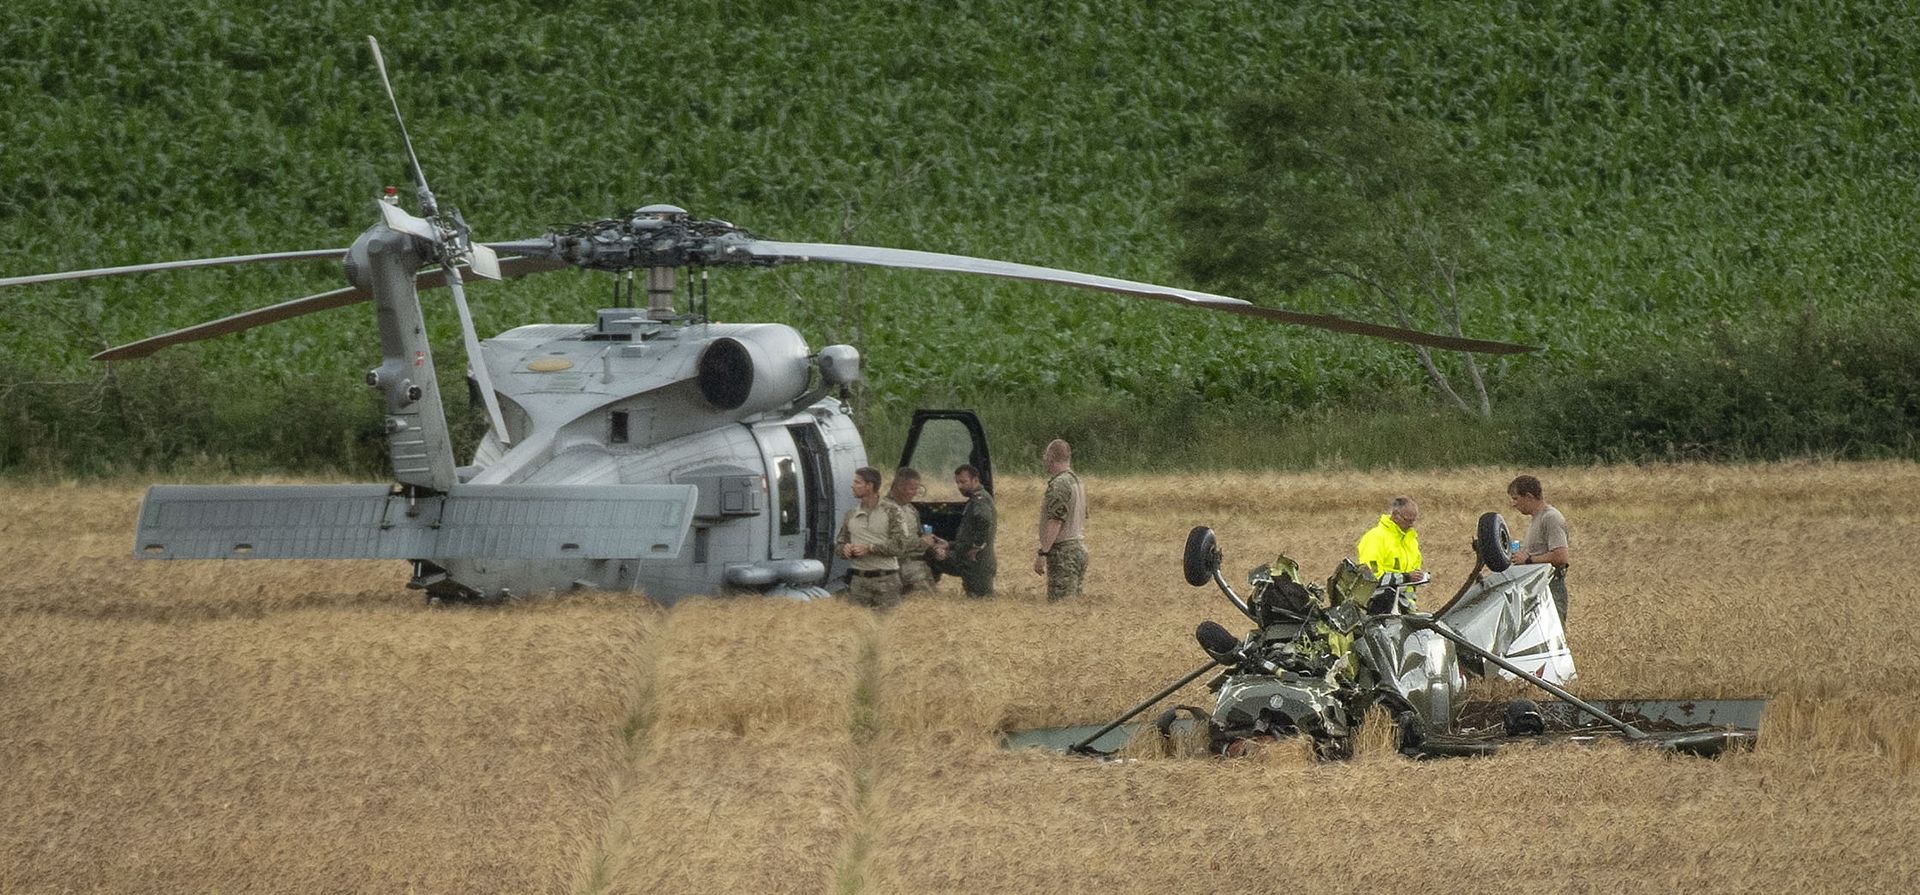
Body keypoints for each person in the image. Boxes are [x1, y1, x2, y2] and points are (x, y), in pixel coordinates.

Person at [834, 466, 915, 609]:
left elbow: (901, 545)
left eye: (857, 482)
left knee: (889, 621)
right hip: (857, 582)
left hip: (886, 582)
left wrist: (870, 548)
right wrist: (844, 549)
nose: (853, 486)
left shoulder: (892, 511)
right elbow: (839, 544)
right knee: (855, 622)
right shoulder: (851, 514)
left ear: (869, 486)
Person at [1507, 474, 1571, 624]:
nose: (1513, 504)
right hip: (1537, 589)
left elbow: (1561, 557)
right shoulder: (1537, 519)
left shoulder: (1551, 518)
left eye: (1516, 498)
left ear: (1529, 496)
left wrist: (1528, 560)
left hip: (1550, 588)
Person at [1033, 439, 1088, 601]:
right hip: (1078, 548)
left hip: (1064, 553)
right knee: (1072, 607)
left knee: (1060, 605)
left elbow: (1056, 521)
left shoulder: (1059, 484)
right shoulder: (1077, 482)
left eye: (1045, 456)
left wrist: (1043, 552)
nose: (1044, 460)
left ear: (1051, 457)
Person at [932, 464, 996, 597]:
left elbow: (984, 520)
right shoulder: (975, 499)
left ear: (975, 480)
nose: (960, 486)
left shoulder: (980, 500)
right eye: (957, 482)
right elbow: (968, 537)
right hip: (968, 561)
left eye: (963, 482)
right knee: (931, 554)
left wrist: (977, 546)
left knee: (980, 603)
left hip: (977, 565)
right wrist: (949, 545)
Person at [1354, 496, 1424, 608]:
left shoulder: (1411, 540)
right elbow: (1372, 577)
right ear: (1395, 515)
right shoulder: (1375, 538)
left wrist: (1419, 577)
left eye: (1413, 520)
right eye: (1408, 520)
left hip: (1405, 607)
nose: (1411, 524)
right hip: (1379, 607)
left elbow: (1415, 570)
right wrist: (1406, 577)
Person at [885, 467, 936, 594]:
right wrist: (922, 542)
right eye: (912, 489)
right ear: (899, 487)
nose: (915, 493)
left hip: (917, 567)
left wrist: (933, 545)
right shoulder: (884, 509)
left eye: (917, 489)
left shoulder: (911, 509)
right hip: (896, 568)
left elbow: (919, 534)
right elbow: (889, 543)